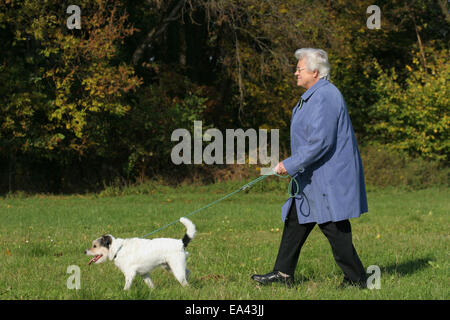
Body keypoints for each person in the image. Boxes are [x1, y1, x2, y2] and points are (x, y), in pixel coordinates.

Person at [251, 48, 368, 288]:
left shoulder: (325, 96)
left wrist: (289, 164)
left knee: (334, 227)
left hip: (327, 179)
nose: (295, 73)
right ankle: (283, 274)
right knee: (296, 220)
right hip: (313, 178)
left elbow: (321, 142)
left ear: (314, 72)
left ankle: (357, 279)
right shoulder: (315, 96)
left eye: (299, 69)